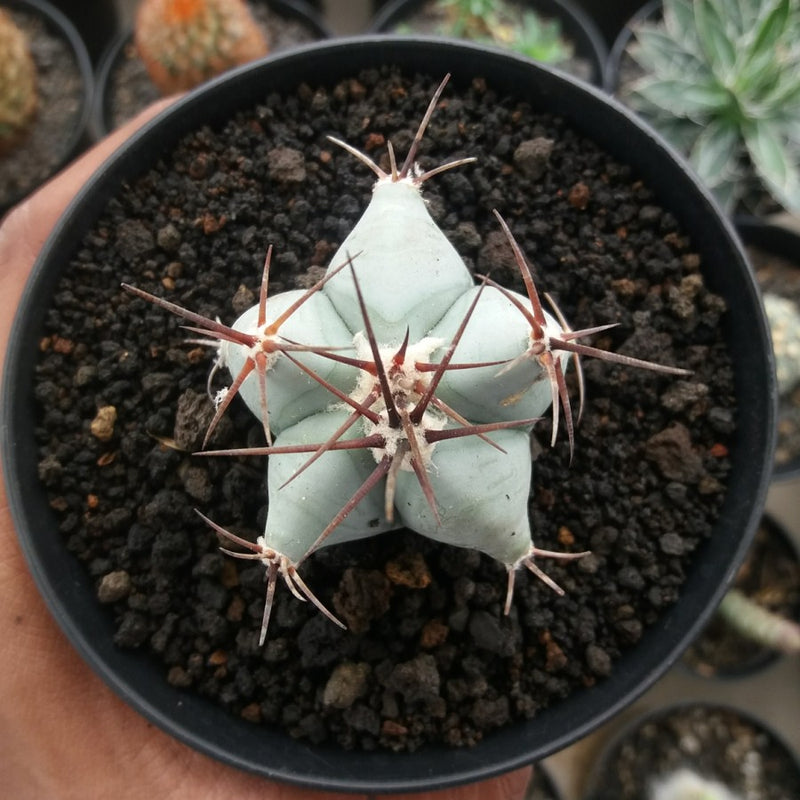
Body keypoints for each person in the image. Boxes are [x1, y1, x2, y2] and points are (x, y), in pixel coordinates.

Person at [0, 101, 533, 800]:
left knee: (509, 348)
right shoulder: (293, 350)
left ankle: (505, 538)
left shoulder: (496, 357)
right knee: (268, 344)